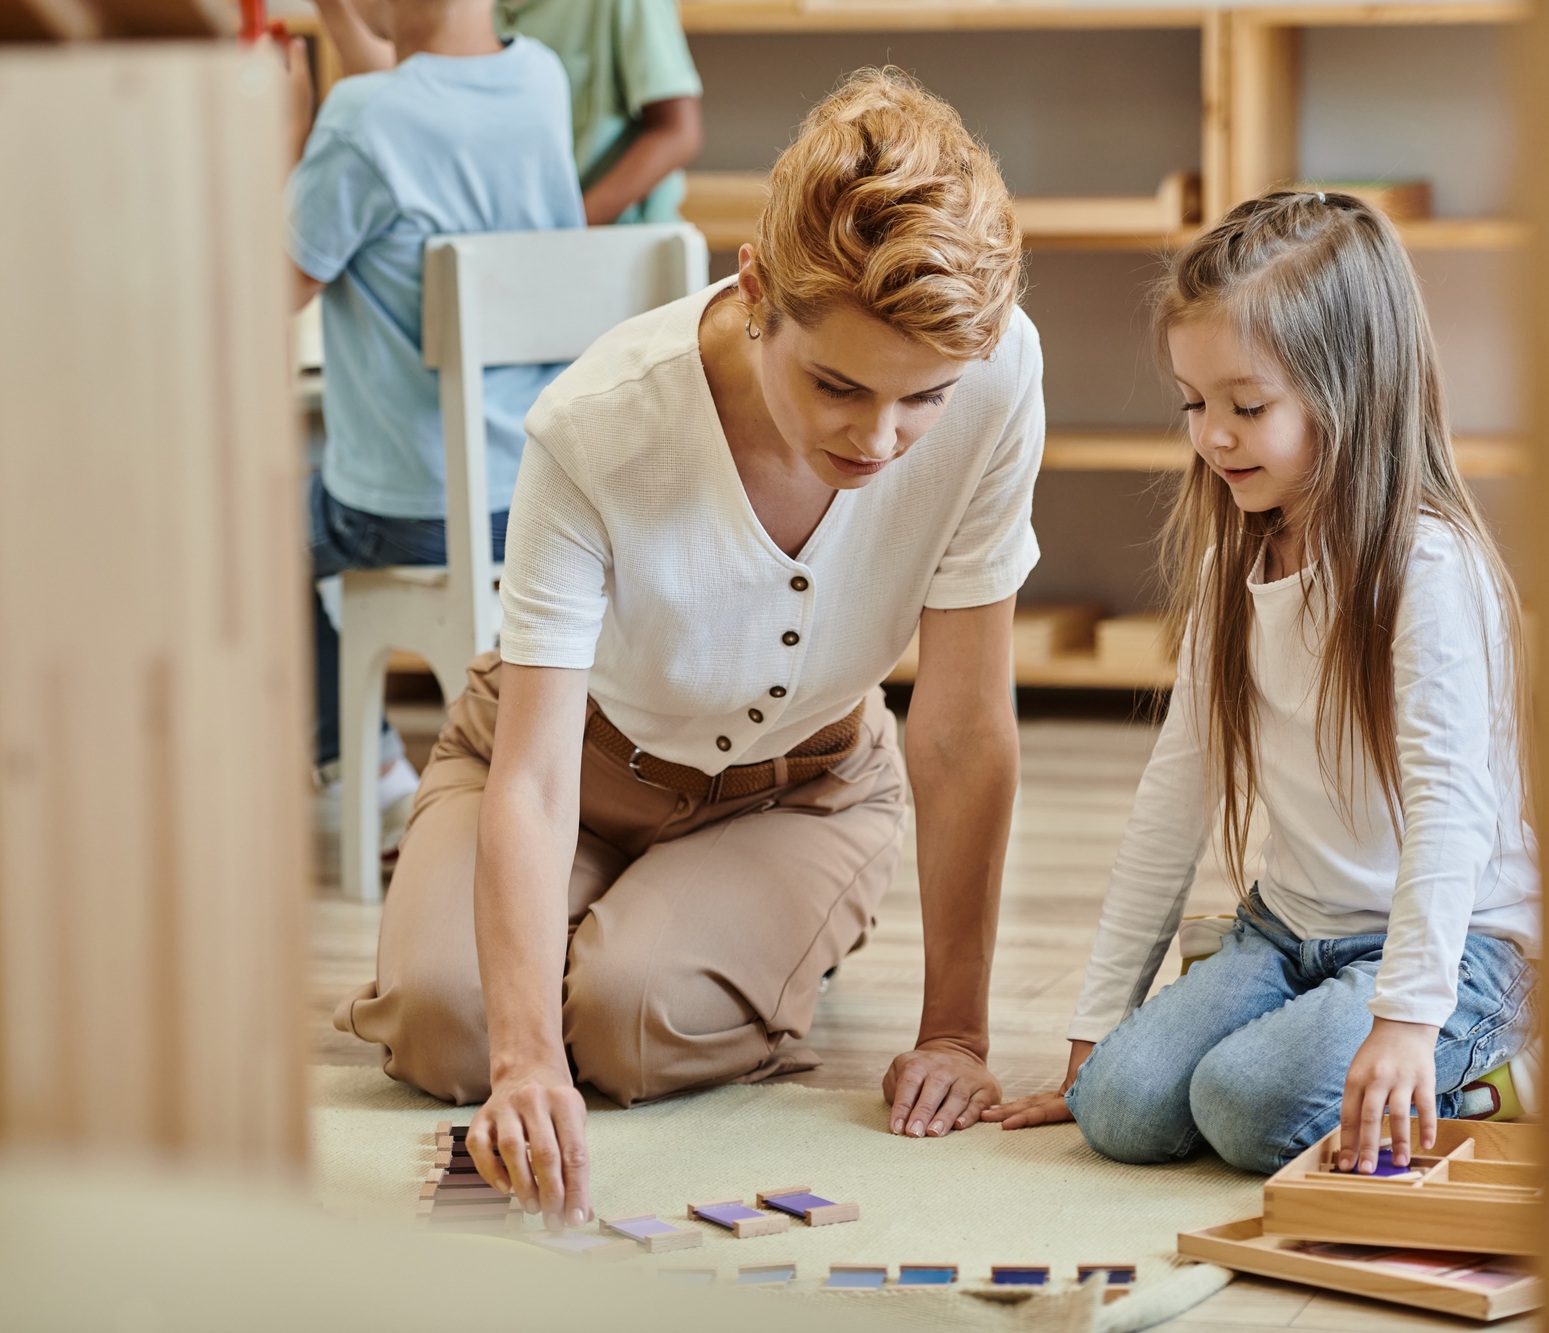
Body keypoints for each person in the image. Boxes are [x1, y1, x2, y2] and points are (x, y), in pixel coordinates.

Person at [333, 69, 1040, 1230]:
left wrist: (955, 1032)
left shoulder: (1001, 372)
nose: (880, 437)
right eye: (837, 384)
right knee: (446, 1026)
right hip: (562, 754)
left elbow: (960, 729)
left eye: (923, 401)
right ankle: (614, 933)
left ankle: (699, 931)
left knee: (622, 1015)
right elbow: (536, 771)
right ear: (757, 293)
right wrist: (520, 1063)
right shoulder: (597, 423)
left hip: (795, 794)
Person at [982, 192, 1540, 1175]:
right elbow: (1174, 792)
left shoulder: (1427, 569)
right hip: (1287, 928)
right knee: (1115, 1104)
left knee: (1243, 1108)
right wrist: (1093, 1025)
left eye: (1247, 407)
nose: (1212, 438)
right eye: (1193, 405)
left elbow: (1451, 804)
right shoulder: (1234, 567)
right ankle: (1280, 1032)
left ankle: (1489, 1065)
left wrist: (1407, 1019)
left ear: (1351, 390)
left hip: (1450, 951)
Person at [288, 0, 586, 847]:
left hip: (410, 510)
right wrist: (353, 35)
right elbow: (413, 119)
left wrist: (284, 135)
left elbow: (273, 280)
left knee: (247, 534)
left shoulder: (358, 119)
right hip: (539, 493)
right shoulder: (540, 81)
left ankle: (371, 771)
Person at [316, 0, 703, 226]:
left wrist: (565, 232)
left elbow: (678, 131)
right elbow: (409, 91)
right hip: (510, 249)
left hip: (614, 240)